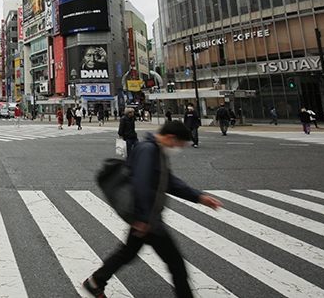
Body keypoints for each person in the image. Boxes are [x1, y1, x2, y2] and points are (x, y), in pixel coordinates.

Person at [83, 121, 224, 298]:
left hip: (146, 217)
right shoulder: (148, 151)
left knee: (127, 253)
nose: (178, 149)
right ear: (171, 137)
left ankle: (96, 281)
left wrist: (198, 197)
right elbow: (141, 184)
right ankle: (96, 281)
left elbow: (169, 182)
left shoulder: (154, 150)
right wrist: (143, 219)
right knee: (177, 266)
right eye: (179, 145)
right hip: (148, 219)